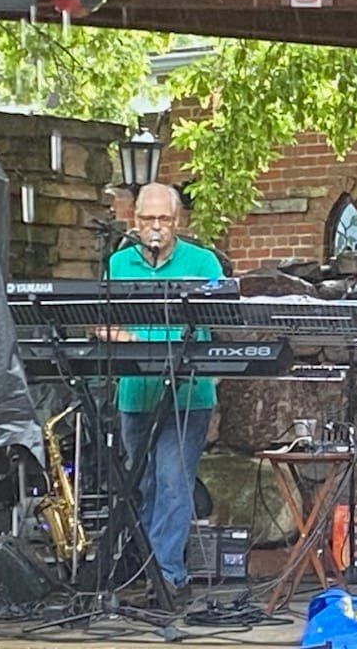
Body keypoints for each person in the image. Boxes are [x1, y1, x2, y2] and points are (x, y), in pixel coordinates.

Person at [108, 182, 223, 606]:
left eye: (163, 219)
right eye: (146, 219)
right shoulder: (118, 263)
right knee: (142, 485)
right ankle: (152, 573)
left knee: (174, 483)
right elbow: (99, 319)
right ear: (134, 220)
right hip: (135, 394)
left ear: (177, 221)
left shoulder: (203, 262)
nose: (154, 227)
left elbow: (221, 319)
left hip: (187, 396)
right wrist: (119, 336)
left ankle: (168, 578)